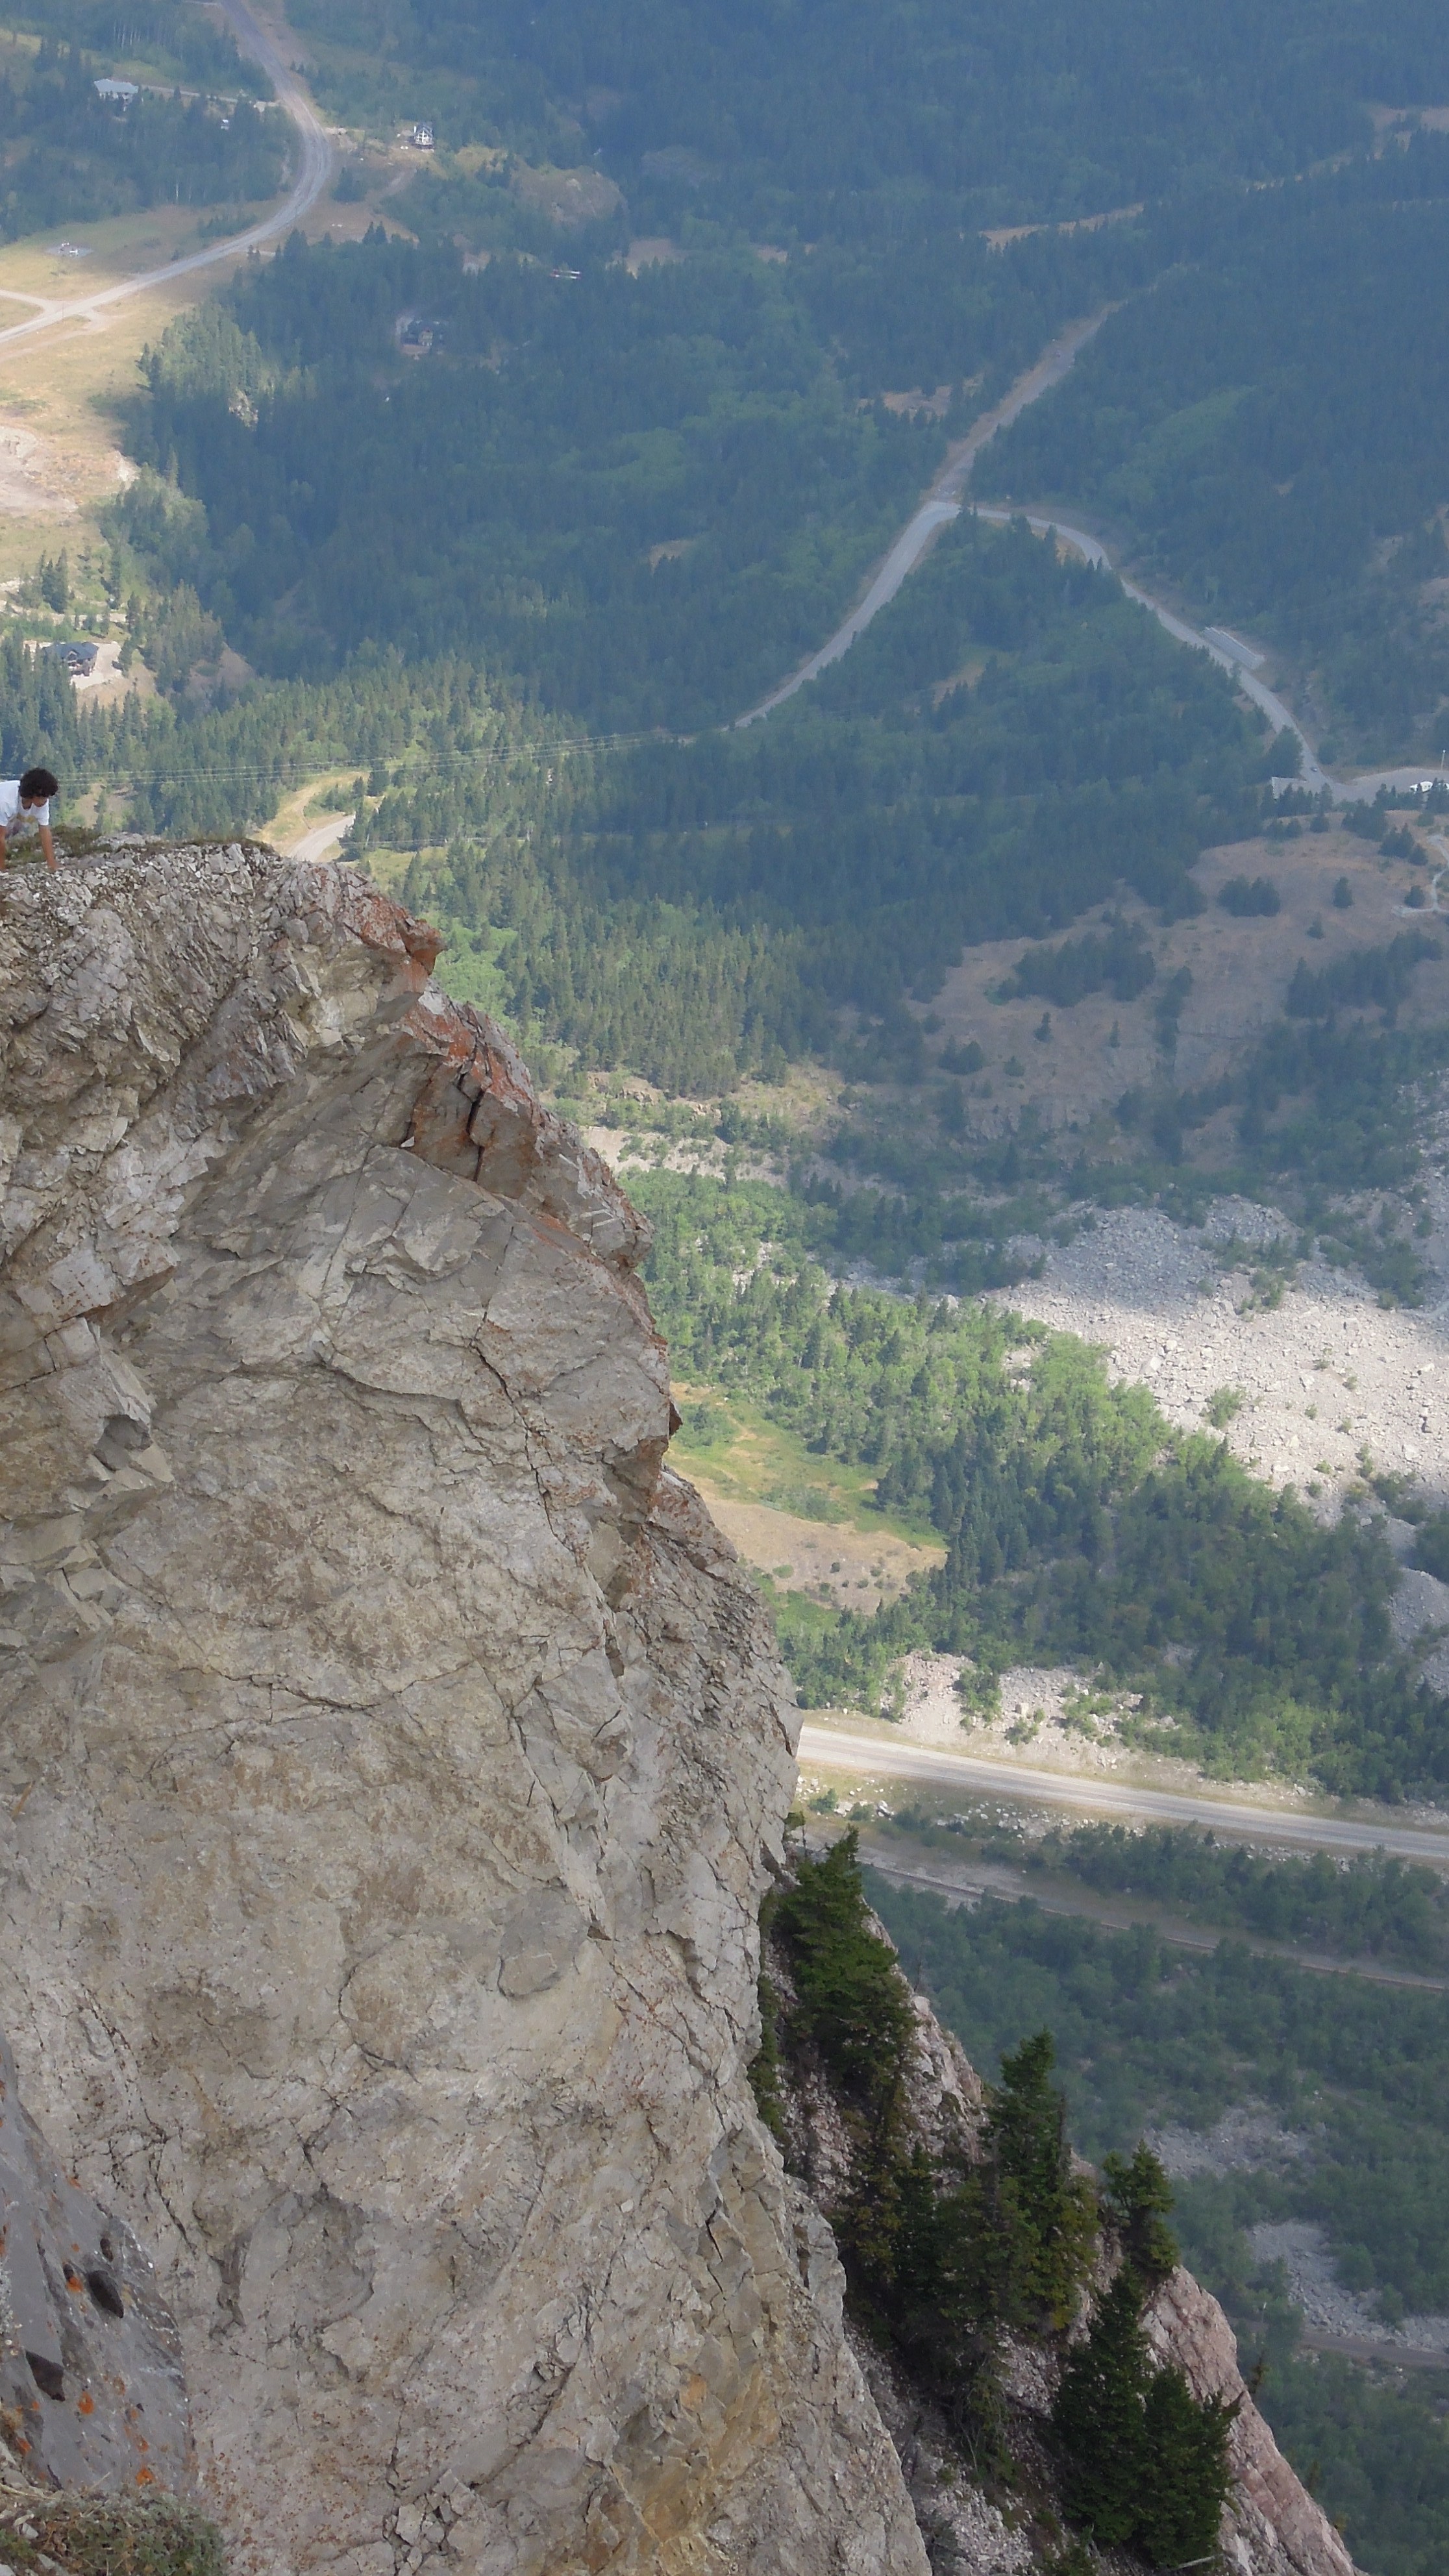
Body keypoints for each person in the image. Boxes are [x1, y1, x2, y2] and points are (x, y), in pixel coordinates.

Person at [0, 768, 58, 872]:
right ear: (33, 793)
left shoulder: (41, 803)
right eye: (44, 797)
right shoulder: (6, 801)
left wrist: (52, 865)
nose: (46, 801)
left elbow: (45, 832)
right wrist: (2, 869)